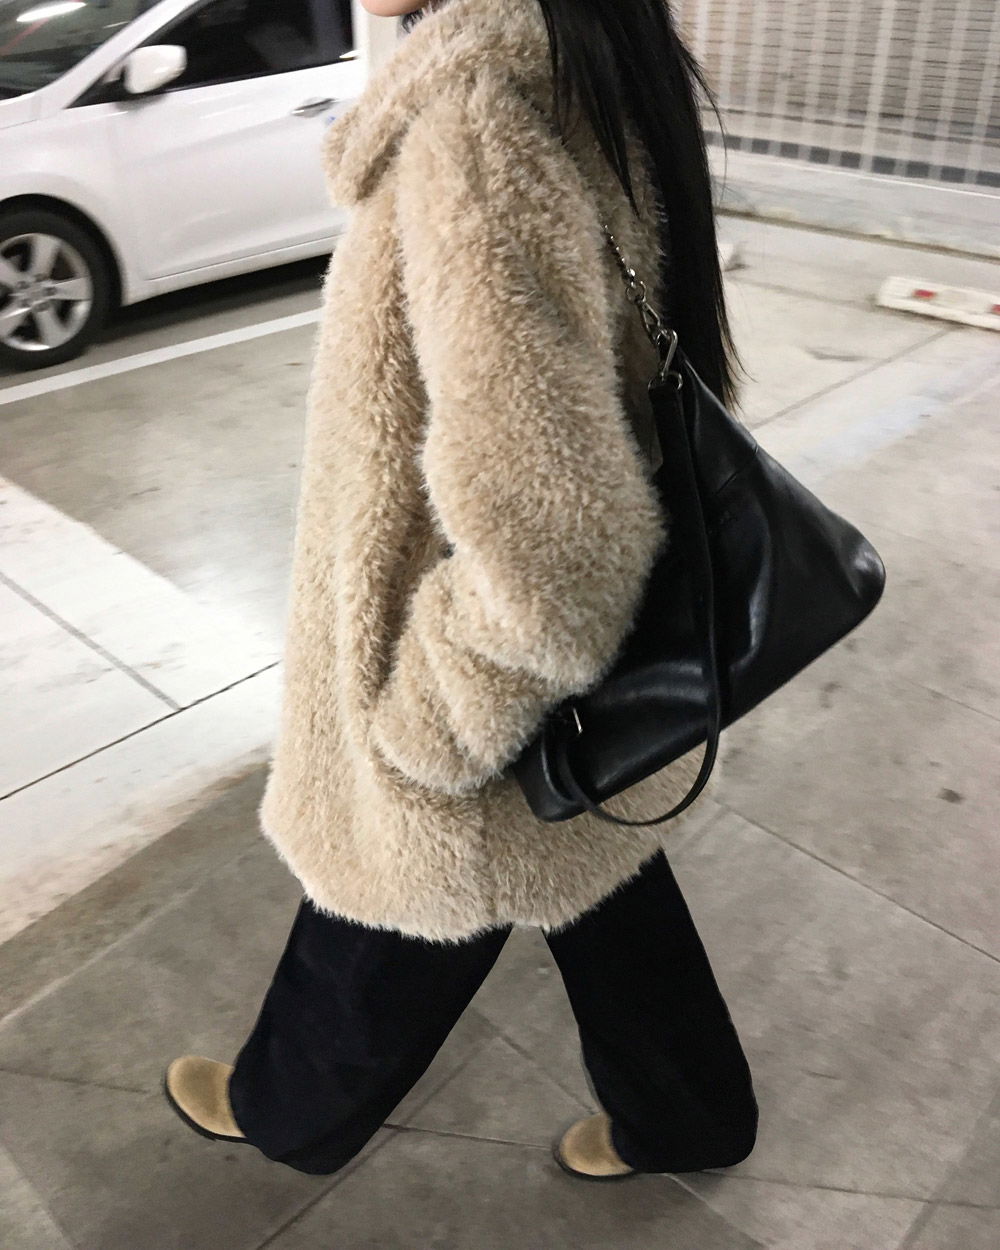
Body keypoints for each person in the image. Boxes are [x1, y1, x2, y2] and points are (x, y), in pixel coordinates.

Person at [164, 0, 758, 1181]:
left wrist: (428, 728)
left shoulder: (476, 115)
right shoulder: (590, 58)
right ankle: (690, 1114)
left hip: (477, 665)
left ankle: (283, 1105)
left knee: (402, 877)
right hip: (592, 659)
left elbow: (554, 544)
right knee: (592, 857)